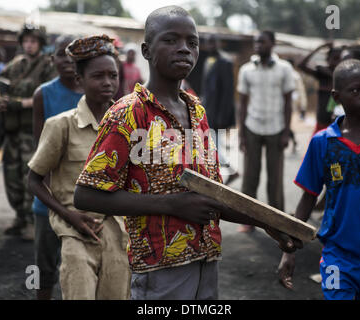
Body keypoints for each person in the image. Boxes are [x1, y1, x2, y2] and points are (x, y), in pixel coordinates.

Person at [73, 6, 301, 300]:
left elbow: (215, 195)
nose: (184, 49)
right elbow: (86, 195)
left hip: (207, 260)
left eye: (192, 42)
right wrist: (172, 205)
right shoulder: (128, 114)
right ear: (146, 49)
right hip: (159, 269)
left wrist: (266, 222)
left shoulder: (197, 111)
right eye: (170, 40)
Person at [278, 59, 360, 299]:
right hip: (337, 255)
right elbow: (308, 196)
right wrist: (290, 250)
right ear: (336, 97)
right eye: (356, 90)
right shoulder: (323, 142)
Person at [28, 35, 130, 300]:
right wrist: (68, 215)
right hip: (74, 232)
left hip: (117, 234)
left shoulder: (126, 127)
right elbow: (34, 180)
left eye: (113, 75)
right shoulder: (61, 125)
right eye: (98, 76)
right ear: (80, 79)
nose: (108, 83)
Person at [0, 24, 56, 240]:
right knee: (11, 175)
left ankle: (30, 221)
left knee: (30, 176)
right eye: (26, 41)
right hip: (12, 130)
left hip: (32, 130)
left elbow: (46, 95)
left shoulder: (47, 65)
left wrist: (20, 103)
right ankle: (19, 215)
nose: (29, 45)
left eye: (33, 41)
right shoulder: (16, 64)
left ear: (41, 43)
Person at [30, 35, 84, 300]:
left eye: (72, 54)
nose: (67, 60)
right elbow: (40, 151)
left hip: (87, 198)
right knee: (42, 267)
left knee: (82, 268)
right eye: (61, 54)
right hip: (49, 197)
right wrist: (52, 198)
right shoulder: (43, 94)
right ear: (52, 60)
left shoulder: (96, 92)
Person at [237, 31, 295, 233]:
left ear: (273, 44)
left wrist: (287, 131)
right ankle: (247, 220)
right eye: (255, 42)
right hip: (252, 126)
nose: (257, 45)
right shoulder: (246, 70)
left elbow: (288, 102)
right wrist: (241, 133)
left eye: (262, 42)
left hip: (276, 128)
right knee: (250, 177)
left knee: (275, 178)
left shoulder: (284, 69)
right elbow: (242, 104)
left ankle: (276, 222)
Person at [201, 34, 238, 183]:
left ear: (218, 44)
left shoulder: (225, 62)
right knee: (212, 142)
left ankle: (229, 171)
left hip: (218, 113)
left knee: (213, 143)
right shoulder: (207, 61)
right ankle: (221, 173)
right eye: (208, 43)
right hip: (208, 109)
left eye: (213, 42)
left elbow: (228, 92)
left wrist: (224, 116)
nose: (210, 46)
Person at [298, 42, 343, 133]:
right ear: (328, 59)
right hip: (322, 120)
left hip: (339, 122)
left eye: (339, 59)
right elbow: (301, 65)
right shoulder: (322, 74)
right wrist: (318, 48)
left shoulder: (344, 76)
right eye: (335, 58)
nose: (337, 62)